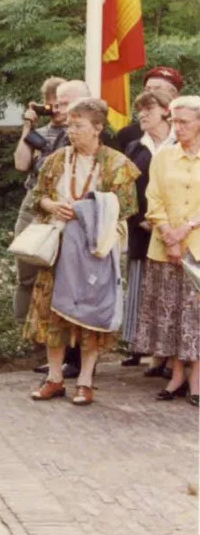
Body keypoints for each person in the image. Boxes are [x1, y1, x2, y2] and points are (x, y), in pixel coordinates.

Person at [26, 98, 140, 406]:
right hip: (60, 248)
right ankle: (54, 378)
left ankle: (86, 381)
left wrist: (88, 209)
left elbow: (128, 206)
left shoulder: (118, 164)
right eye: (70, 125)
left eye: (78, 126)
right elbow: (37, 196)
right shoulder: (57, 160)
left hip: (95, 251)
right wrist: (52, 205)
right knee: (53, 314)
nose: (72, 131)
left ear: (98, 128)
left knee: (91, 314)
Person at [15, 79, 89, 378]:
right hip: (35, 205)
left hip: (63, 210)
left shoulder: (81, 132)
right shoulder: (41, 134)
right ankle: (31, 335)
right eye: (53, 104)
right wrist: (26, 129)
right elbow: (21, 165)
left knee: (61, 280)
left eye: (61, 103)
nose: (56, 109)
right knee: (27, 272)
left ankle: (62, 350)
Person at [132, 95, 200, 407]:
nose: (178, 126)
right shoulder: (163, 156)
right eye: (174, 120)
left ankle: (196, 378)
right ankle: (175, 375)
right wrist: (168, 234)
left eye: (184, 121)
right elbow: (152, 197)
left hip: (197, 247)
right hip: (165, 246)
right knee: (169, 313)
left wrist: (186, 228)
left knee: (195, 316)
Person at [120, 88, 175, 373]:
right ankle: (154, 355)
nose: (141, 114)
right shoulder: (135, 148)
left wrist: (168, 223)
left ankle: (174, 358)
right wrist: (141, 218)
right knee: (147, 295)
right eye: (139, 109)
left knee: (174, 296)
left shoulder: (184, 143)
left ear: (166, 111)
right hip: (143, 230)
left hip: (178, 232)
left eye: (148, 109)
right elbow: (126, 192)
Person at [114, 66, 185, 148]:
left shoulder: (192, 130)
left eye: (158, 89)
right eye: (147, 90)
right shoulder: (128, 135)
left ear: (175, 96)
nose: (150, 94)